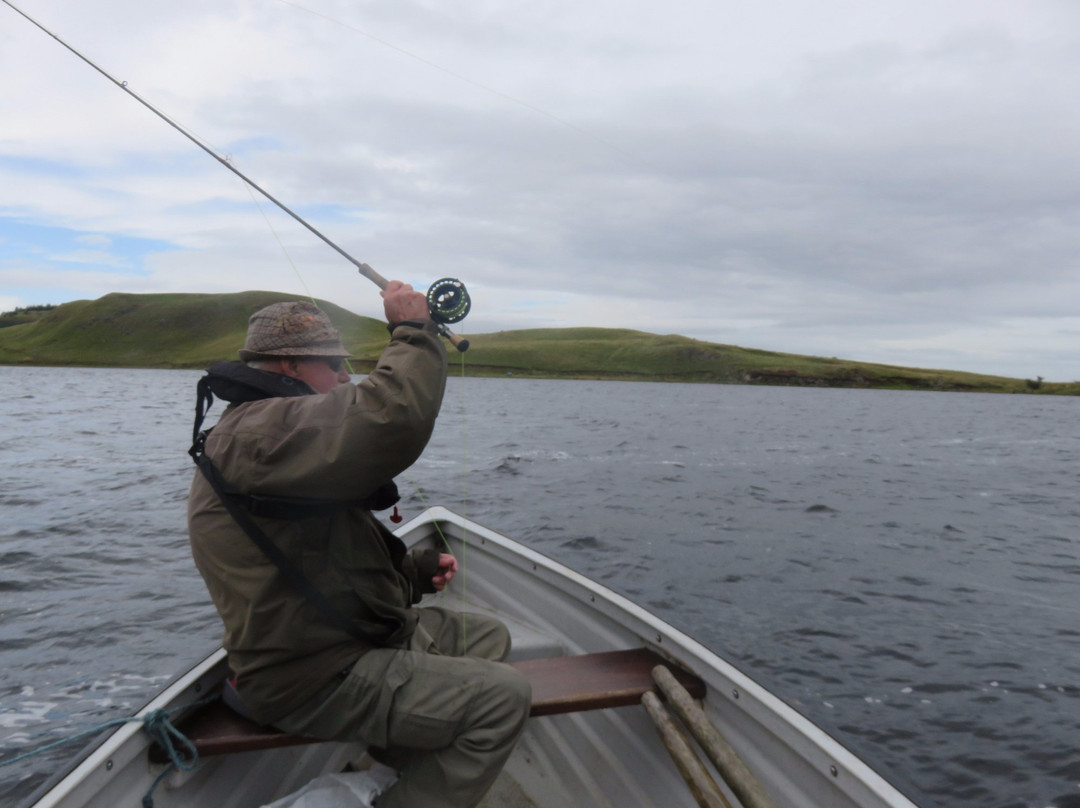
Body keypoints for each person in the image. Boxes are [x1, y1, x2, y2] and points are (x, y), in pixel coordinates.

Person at [187, 282, 531, 808]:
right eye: (335, 365)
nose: (347, 377)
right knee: (503, 699)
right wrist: (412, 331)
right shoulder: (260, 434)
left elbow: (328, 556)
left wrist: (413, 572)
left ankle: (400, 768)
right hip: (307, 673)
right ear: (290, 367)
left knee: (482, 635)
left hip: (336, 641)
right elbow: (388, 417)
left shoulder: (277, 435)